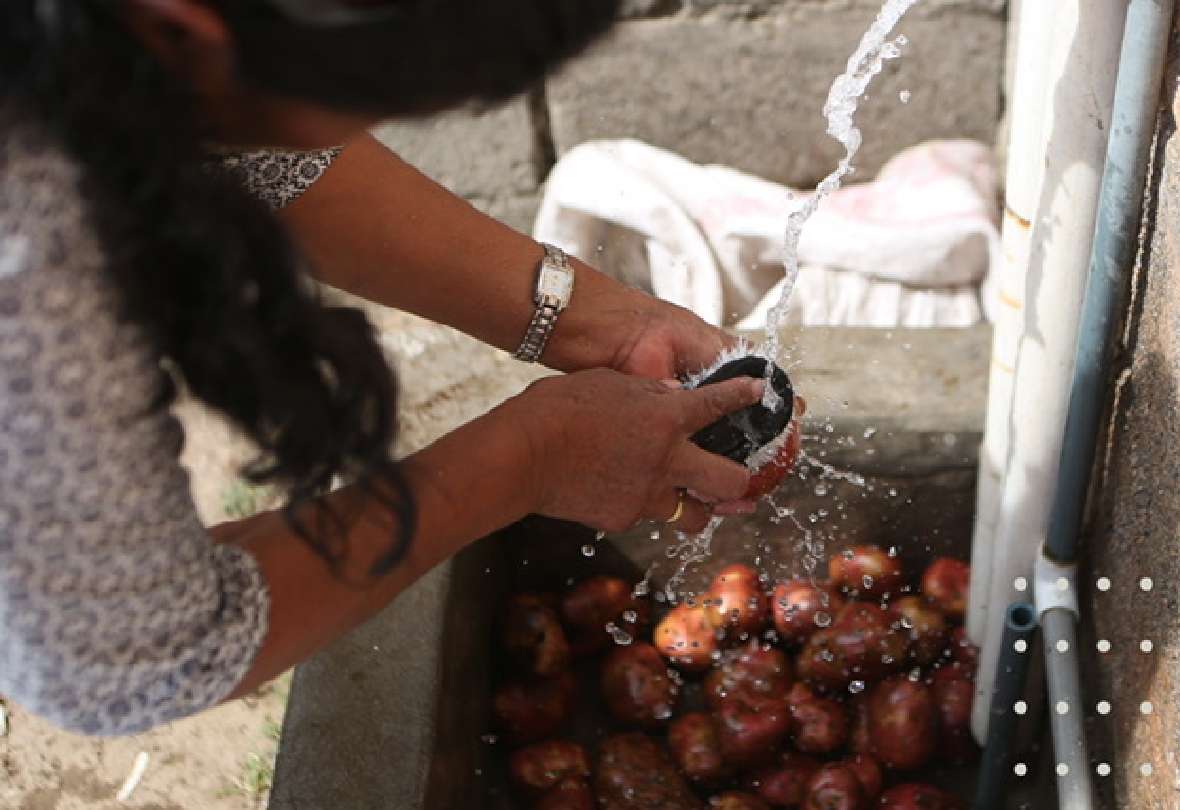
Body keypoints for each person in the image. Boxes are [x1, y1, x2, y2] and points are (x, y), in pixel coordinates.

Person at [0, 0, 772, 736]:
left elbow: (256, 150)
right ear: (179, 33)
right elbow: (129, 657)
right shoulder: (32, 276)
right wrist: (536, 455)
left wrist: (593, 318)